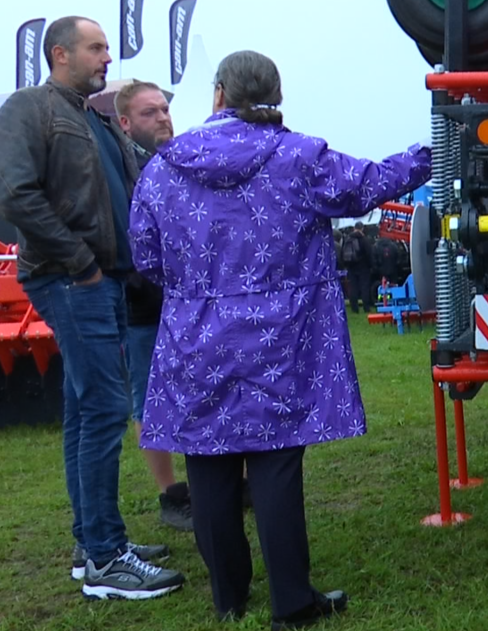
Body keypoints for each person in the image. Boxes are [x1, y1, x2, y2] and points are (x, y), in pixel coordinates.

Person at [127, 49, 430, 627]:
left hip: (197, 336)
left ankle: (229, 599)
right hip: (282, 335)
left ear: (218, 94)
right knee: (275, 464)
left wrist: (198, 291)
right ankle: (291, 601)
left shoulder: (163, 167)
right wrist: (431, 149)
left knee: (208, 465)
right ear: (276, 95)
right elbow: (375, 182)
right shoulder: (299, 157)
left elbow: (145, 255)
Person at [0, 15, 185, 600]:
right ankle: (106, 558)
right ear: (60, 53)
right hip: (72, 280)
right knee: (103, 409)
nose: (107, 56)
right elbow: (16, 195)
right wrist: (82, 262)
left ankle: (90, 544)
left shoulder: (90, 116)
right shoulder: (30, 107)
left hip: (101, 282)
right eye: (95, 47)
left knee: (84, 409)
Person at [113, 80, 193, 532]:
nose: (162, 117)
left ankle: (228, 480)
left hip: (187, 300)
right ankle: (171, 495)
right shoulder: (125, 168)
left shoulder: (180, 160)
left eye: (163, 108)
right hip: (144, 305)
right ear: (125, 123)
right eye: (149, 112)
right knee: (149, 400)